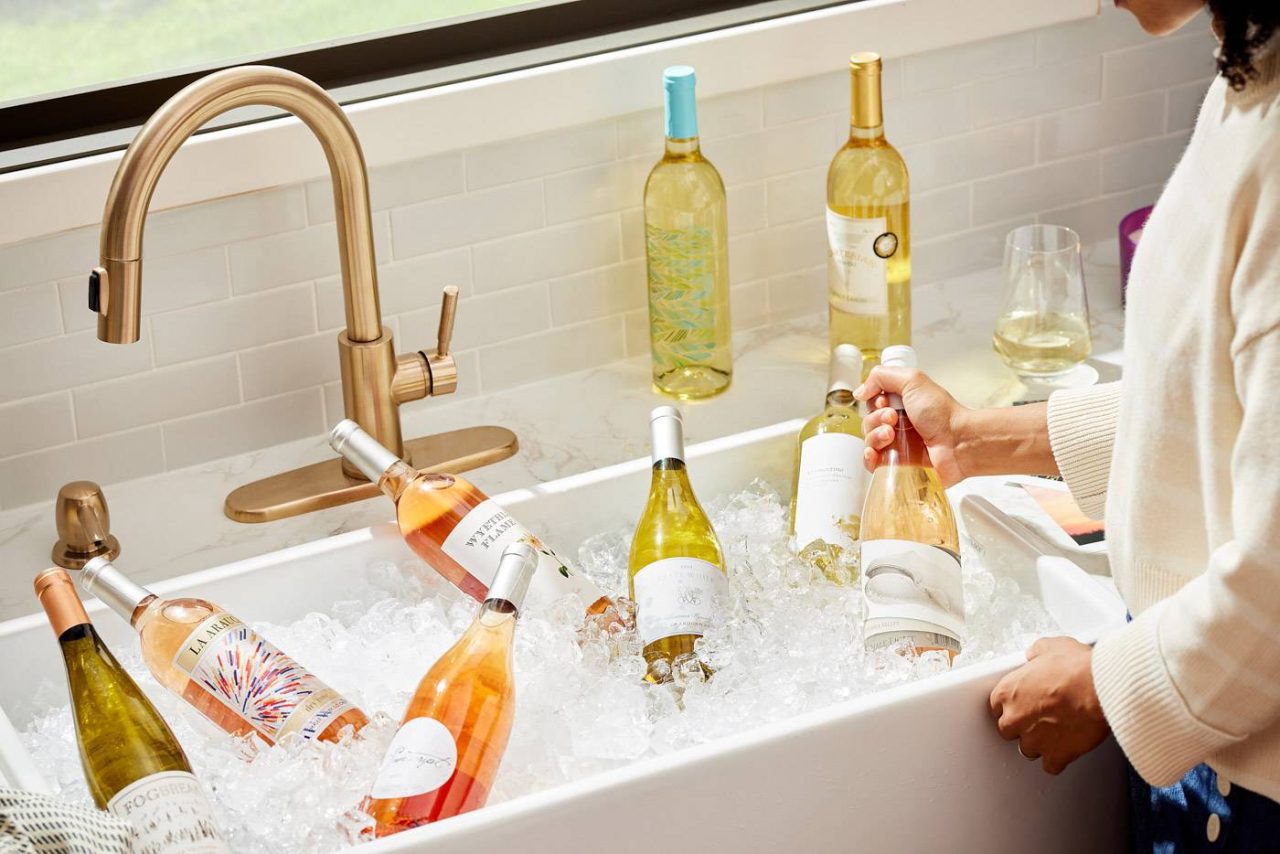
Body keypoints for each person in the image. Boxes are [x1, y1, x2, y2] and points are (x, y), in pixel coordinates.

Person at [855, 1, 1279, 850]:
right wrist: (979, 438)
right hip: (1209, 748)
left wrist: (1106, 688)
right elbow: (1217, 395)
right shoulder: (1254, 60)